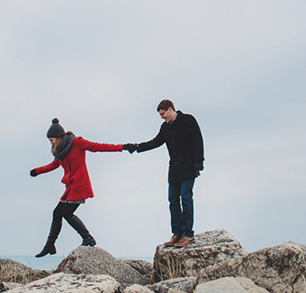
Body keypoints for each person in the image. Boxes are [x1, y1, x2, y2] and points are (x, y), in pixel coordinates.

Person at [30, 118, 124, 258]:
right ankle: (50, 246)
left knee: (66, 213)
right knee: (57, 212)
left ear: (58, 137)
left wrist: (122, 147)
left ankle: (87, 238)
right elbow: (54, 165)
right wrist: (37, 171)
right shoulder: (60, 150)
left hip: (79, 186)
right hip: (70, 187)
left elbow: (98, 147)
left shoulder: (76, 142)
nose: (51, 143)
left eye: (51, 140)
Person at [123, 99, 204, 248]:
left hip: (189, 167)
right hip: (174, 170)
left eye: (162, 114)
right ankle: (177, 233)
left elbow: (198, 140)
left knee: (186, 198)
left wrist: (199, 162)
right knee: (172, 200)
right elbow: (155, 142)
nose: (161, 117)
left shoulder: (188, 120)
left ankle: (188, 234)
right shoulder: (165, 127)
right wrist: (136, 147)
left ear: (170, 109)